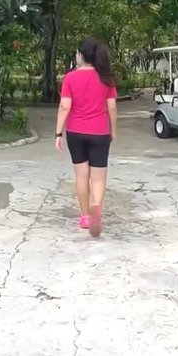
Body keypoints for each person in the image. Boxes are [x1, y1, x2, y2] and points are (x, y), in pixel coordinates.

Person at [55, 37, 117, 237]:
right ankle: (96, 206)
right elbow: (112, 108)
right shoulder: (106, 78)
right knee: (98, 177)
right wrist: (113, 130)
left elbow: (65, 106)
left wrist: (58, 133)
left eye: (76, 52)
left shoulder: (70, 78)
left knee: (82, 175)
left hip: (75, 133)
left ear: (82, 55)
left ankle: (85, 217)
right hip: (100, 132)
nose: (75, 56)